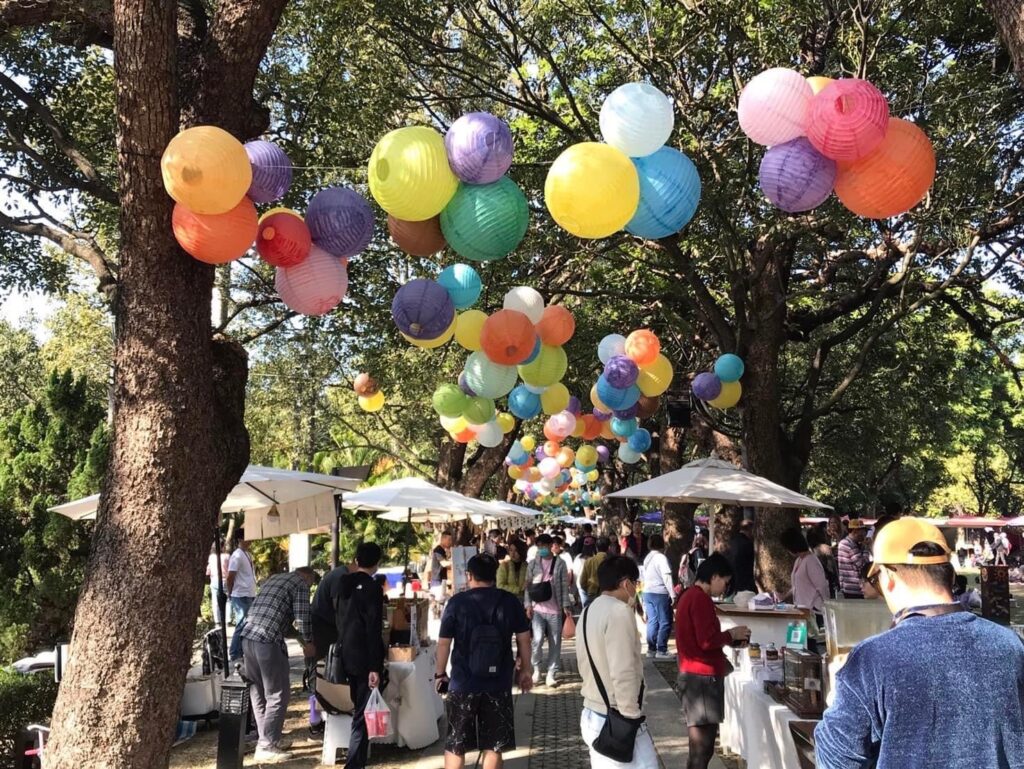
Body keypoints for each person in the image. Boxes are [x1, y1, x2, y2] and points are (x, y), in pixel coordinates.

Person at [815, 518, 1024, 768]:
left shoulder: (872, 659)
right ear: (949, 575)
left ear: (889, 577)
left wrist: (837, 700)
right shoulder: (1010, 645)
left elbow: (836, 759)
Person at [435, 553, 533, 769]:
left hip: (462, 683)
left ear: (469, 575)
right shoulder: (509, 601)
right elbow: (524, 640)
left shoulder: (457, 602)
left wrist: (440, 674)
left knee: (455, 744)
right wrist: (526, 670)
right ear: (495, 575)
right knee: (494, 746)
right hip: (498, 683)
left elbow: (443, 643)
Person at [577, 555, 656, 769]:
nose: (636, 589)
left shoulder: (587, 611)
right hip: (616, 718)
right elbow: (624, 670)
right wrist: (631, 717)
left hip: (593, 712)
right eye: (636, 583)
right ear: (626, 583)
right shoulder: (619, 612)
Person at [675, 554, 751, 769]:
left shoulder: (689, 596)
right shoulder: (699, 599)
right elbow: (707, 640)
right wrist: (731, 634)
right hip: (702, 679)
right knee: (702, 748)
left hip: (694, 675)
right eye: (725, 583)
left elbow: (701, 639)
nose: (724, 589)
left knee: (700, 748)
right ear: (714, 576)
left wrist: (730, 640)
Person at [239, 566, 319, 762]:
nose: (309, 588)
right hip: (267, 641)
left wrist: (300, 640)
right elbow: (302, 616)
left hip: (248, 638)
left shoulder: (275, 579)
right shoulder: (300, 583)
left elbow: (283, 623)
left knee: (258, 692)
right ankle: (267, 746)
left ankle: (266, 739)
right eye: (312, 584)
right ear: (308, 577)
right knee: (278, 693)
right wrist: (309, 642)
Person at [336, 542, 387, 769]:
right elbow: (373, 628)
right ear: (377, 563)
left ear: (356, 560)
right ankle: (354, 763)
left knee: (359, 708)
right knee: (362, 714)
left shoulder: (343, 583)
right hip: (365, 655)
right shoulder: (372, 587)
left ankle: (357, 760)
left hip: (347, 652)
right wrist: (376, 666)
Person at [524, 533, 572, 687]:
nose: (542, 549)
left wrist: (566, 606)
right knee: (537, 640)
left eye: (544, 546)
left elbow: (564, 586)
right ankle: (536, 669)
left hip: (555, 610)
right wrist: (528, 605)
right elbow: (527, 586)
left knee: (555, 642)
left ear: (551, 546)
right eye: (539, 546)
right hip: (537, 609)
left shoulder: (560, 563)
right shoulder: (532, 564)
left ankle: (551, 672)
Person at [779, 528, 829, 620]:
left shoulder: (811, 561)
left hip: (814, 610)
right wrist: (784, 596)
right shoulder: (799, 560)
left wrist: (827, 607)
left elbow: (821, 586)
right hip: (802, 609)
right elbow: (797, 585)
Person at [641, 535, 675, 659]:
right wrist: (672, 594)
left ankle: (651, 649)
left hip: (647, 592)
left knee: (652, 621)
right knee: (665, 621)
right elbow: (667, 576)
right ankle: (661, 649)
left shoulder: (647, 557)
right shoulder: (661, 558)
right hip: (660, 593)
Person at [227, 528, 257, 661]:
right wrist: (230, 592)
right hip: (240, 594)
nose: (249, 541)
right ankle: (234, 652)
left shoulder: (247, 554)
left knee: (248, 623)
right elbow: (230, 576)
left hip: (249, 592)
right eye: (247, 538)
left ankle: (241, 650)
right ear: (240, 539)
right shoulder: (237, 555)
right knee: (242, 623)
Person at [310, 560, 350, 659]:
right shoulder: (340, 576)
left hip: (325, 622)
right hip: (323, 624)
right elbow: (338, 604)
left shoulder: (339, 573)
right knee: (326, 658)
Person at [837, 519, 869, 598]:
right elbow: (862, 565)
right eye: (863, 531)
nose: (865, 534)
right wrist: (866, 548)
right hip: (854, 589)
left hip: (848, 587)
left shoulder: (845, 542)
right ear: (855, 531)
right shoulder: (850, 545)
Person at [725, 520, 756, 593]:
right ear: (750, 529)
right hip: (745, 580)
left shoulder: (732, 541)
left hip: (732, 578)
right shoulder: (748, 544)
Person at [580, 536, 611, 602]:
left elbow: (582, 582)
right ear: (609, 548)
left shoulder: (589, 561)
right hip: (607, 595)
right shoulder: (611, 561)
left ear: (596, 548)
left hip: (592, 593)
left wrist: (589, 590)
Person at [206, 542, 230, 626]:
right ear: (222, 546)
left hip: (214, 579)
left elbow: (208, 571)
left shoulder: (211, 557)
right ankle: (227, 620)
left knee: (215, 601)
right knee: (227, 600)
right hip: (225, 579)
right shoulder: (227, 556)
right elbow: (229, 569)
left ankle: (217, 621)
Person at [573, 537, 596, 606]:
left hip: (581, 585)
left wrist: (575, 588)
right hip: (593, 586)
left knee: (585, 607)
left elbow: (575, 574)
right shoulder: (596, 558)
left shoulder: (578, 557)